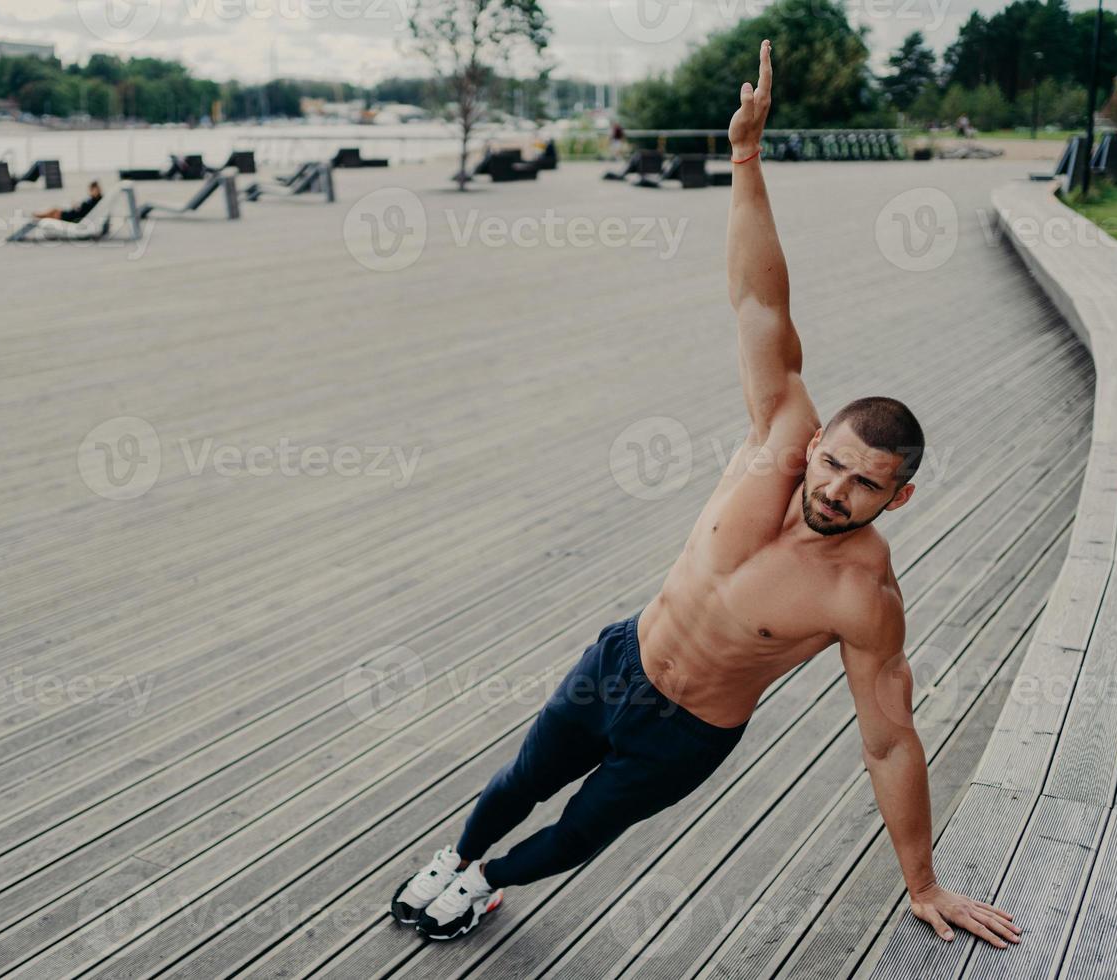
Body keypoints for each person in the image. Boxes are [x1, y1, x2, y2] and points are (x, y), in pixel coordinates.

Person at [390, 39, 1024, 952]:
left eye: (866, 485)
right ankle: (458, 855)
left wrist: (922, 882)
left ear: (901, 497)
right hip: (618, 662)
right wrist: (744, 157)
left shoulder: (861, 596)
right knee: (519, 781)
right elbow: (758, 305)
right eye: (833, 463)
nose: (837, 490)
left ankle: (483, 884)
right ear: (814, 444)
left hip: (687, 732)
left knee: (578, 830)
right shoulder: (777, 442)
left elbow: (889, 742)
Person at [32, 180, 103, 222]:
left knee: (54, 211)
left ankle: (38, 217)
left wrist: (77, 206)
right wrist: (77, 206)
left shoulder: (94, 200)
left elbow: (83, 211)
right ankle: (39, 217)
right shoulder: (95, 200)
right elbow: (83, 209)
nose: (90, 192)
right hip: (75, 214)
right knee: (55, 211)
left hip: (74, 217)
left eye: (92, 190)